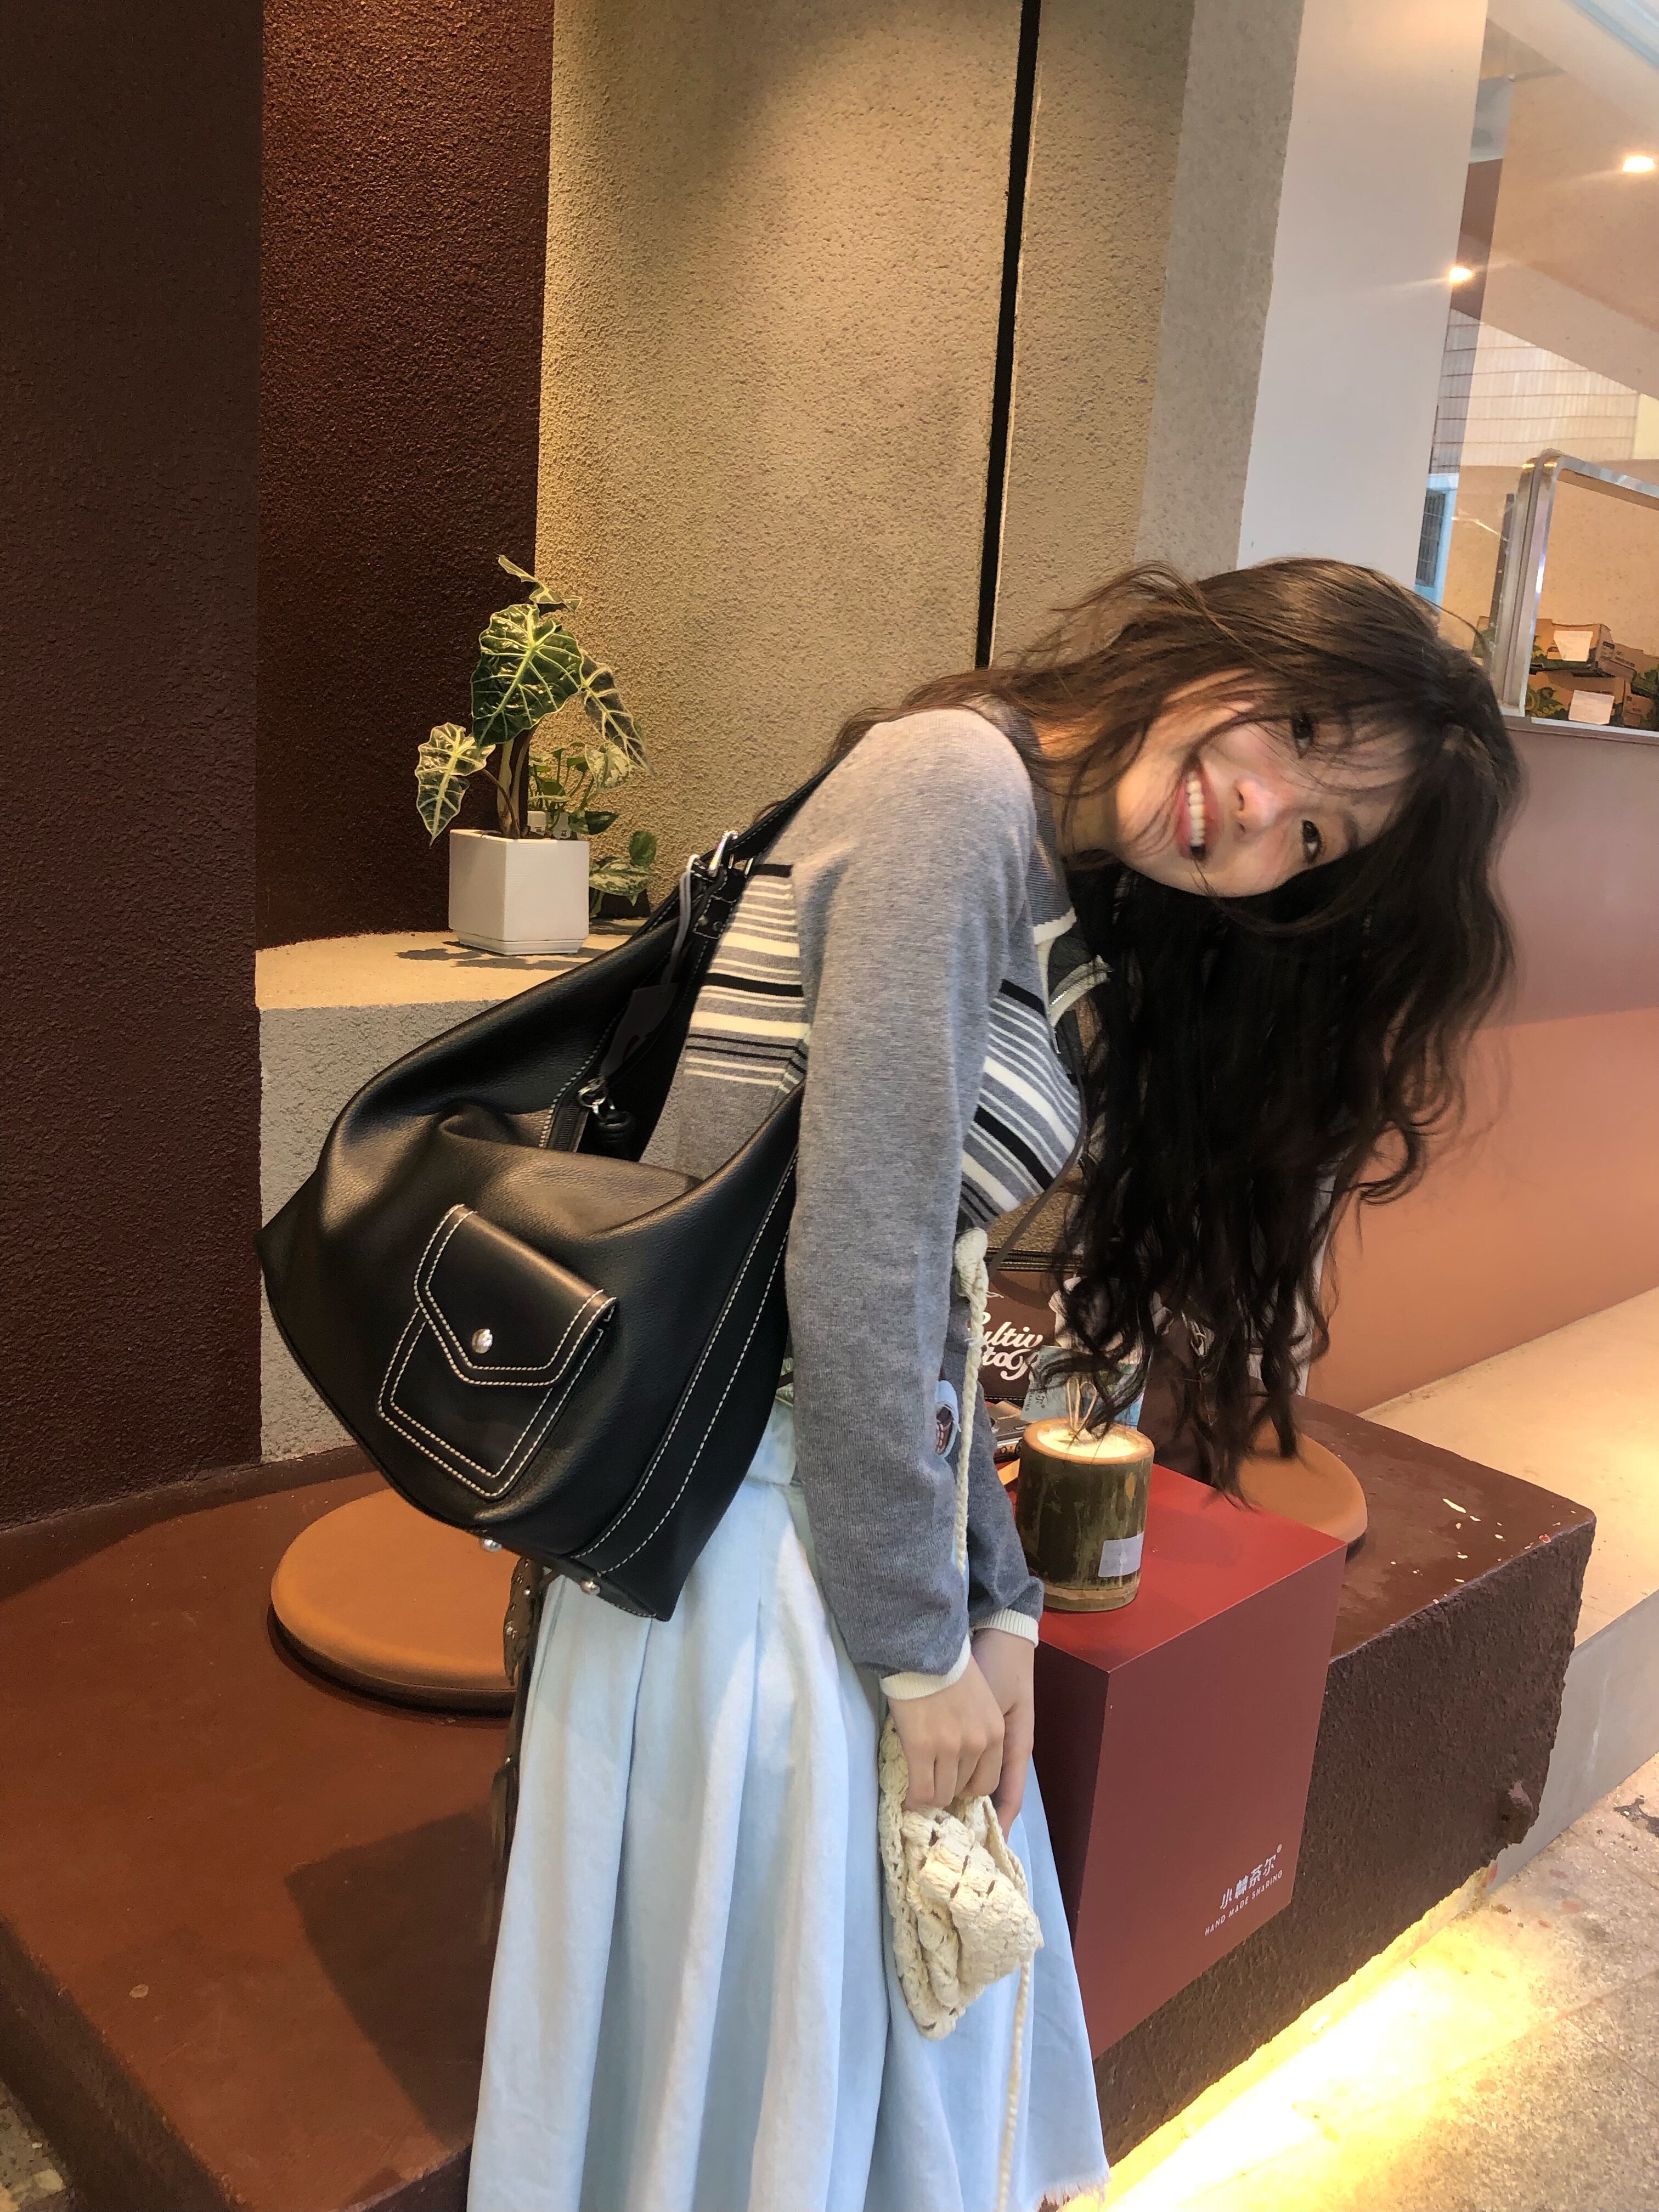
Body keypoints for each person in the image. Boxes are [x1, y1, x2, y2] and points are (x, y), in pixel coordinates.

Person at [467, 559, 1520, 2212]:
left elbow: (935, 1297)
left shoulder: (1052, 881)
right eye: (1304, 731)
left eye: (1318, 838)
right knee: (782, 2089)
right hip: (735, 1539)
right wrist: (921, 1641)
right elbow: (855, 1268)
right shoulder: (954, 789)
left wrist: (999, 1601)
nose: (1263, 809)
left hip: (809, 1521)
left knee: (809, 2082)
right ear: (1229, 641)